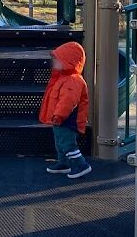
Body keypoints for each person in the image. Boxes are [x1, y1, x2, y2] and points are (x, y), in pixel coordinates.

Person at [38, 41, 91, 179]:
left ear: (68, 62)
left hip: (67, 120)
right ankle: (64, 163)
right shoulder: (63, 78)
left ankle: (81, 165)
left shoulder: (72, 81)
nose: (54, 63)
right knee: (60, 143)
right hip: (60, 120)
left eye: (57, 60)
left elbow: (68, 102)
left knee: (67, 144)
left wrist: (59, 115)